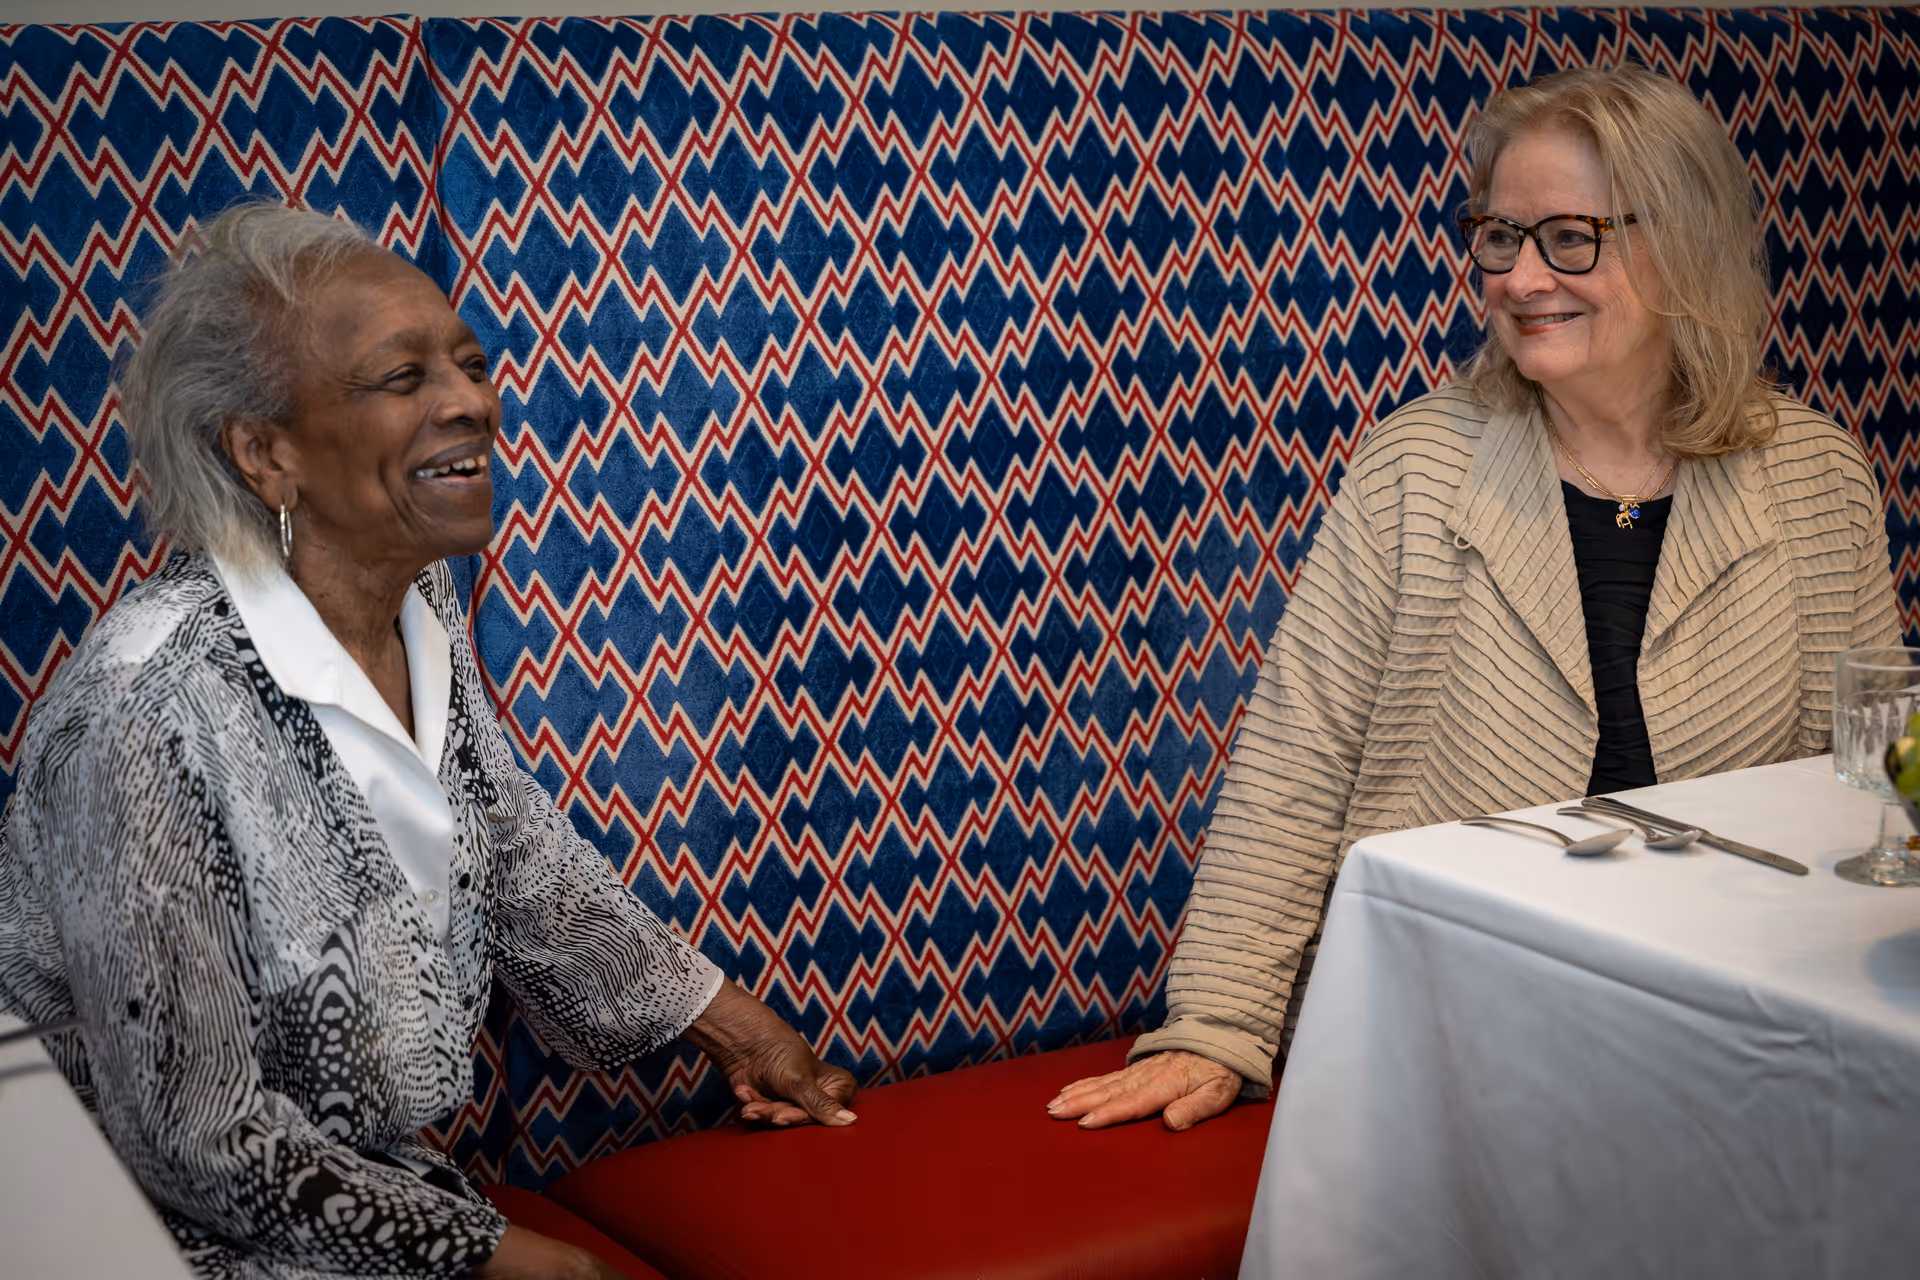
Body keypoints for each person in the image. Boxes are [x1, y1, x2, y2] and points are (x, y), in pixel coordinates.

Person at [0, 202, 857, 1280]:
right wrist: (491, 1250)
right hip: (132, 1237)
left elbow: (508, 849)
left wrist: (735, 1027)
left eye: (469, 363)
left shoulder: (419, 604)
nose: (474, 403)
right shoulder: (142, 711)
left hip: (354, 1201)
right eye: (404, 379)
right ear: (264, 452)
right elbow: (196, 1134)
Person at [1048, 62, 1901, 1132]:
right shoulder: (1415, 465)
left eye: (1569, 238)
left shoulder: (1815, 475)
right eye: (1499, 236)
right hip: (1455, 1019)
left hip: (1724, 1019)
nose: (1519, 277)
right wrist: (1218, 1019)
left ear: (1682, 240)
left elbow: (1869, 781)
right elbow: (1294, 764)